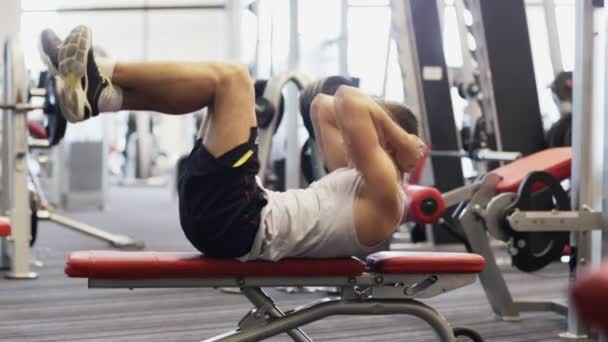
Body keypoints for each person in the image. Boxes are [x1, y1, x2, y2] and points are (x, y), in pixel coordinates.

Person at [39, 25, 426, 261]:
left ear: (386, 145)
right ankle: (102, 96)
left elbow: (347, 99)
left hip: (240, 220)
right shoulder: (359, 180)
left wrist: (403, 139)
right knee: (216, 88)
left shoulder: (385, 197)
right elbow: (324, 104)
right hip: (231, 219)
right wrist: (392, 133)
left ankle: (100, 70)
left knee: (233, 79)